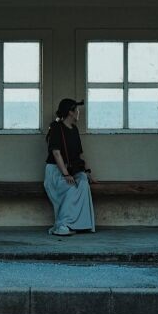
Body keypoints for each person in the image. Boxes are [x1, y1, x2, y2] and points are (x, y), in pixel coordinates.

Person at [43, 98, 95, 236]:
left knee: (83, 181)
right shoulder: (56, 128)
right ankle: (62, 225)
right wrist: (66, 175)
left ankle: (79, 224)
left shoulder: (75, 129)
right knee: (71, 188)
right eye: (76, 110)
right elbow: (56, 153)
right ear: (70, 112)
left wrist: (86, 171)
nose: (78, 112)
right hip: (56, 171)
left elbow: (78, 154)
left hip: (71, 170)